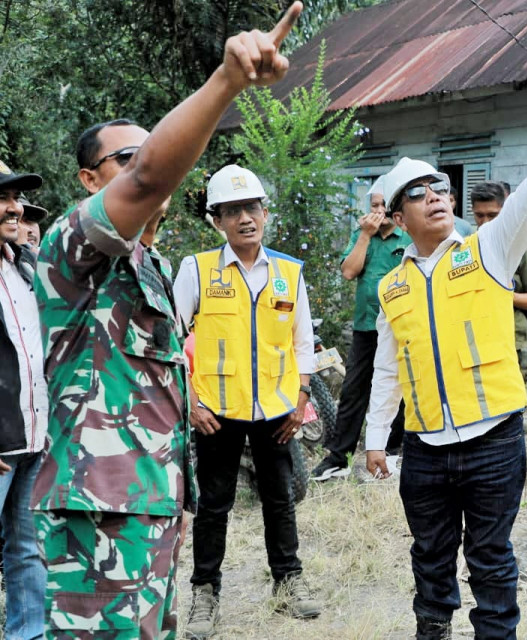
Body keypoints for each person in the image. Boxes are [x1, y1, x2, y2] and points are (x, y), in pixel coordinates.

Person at [31, 5, 303, 637]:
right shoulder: (74, 249)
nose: (145, 163)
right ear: (88, 179)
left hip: (149, 503)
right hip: (97, 508)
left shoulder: (148, 265)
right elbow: (151, 178)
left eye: (145, 150)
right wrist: (226, 84)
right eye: (124, 157)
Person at [365, 92, 527, 640]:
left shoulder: (488, 249)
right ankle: (432, 630)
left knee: (490, 557)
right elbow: (390, 368)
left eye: (442, 188)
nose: (436, 197)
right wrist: (373, 438)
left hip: (493, 441)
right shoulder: (392, 285)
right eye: (419, 192)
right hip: (426, 447)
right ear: (397, 213)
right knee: (430, 555)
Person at [173, 164, 322, 635]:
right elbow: (172, 342)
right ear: (216, 220)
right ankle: (204, 594)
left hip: (277, 412)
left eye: (252, 208)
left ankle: (289, 584)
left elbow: (302, 343)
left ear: (265, 213)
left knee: (280, 499)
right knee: (214, 505)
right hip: (217, 412)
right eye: (232, 211)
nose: (245, 218)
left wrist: (300, 399)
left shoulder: (288, 272)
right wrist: (189, 404)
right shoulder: (197, 270)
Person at [311, 175, 409, 481]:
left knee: (403, 387)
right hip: (367, 326)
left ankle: (394, 451)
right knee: (354, 389)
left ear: (395, 209)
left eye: (383, 205)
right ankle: (338, 457)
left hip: (403, 325)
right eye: (373, 205)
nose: (377, 211)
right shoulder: (361, 236)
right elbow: (349, 271)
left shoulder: (408, 237)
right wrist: (365, 236)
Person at [0, 160, 46, 640]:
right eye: (4, 198)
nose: (16, 208)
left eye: (16, 198)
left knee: (28, 549)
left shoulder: (25, 265)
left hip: (33, 436)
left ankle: (27, 635)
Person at [470, 180, 527, 355]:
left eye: (492, 215)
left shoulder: (520, 246)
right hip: (476, 336)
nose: (485, 222)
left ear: (504, 211)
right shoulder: (468, 245)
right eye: (479, 215)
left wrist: (501, 293)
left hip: (508, 338)